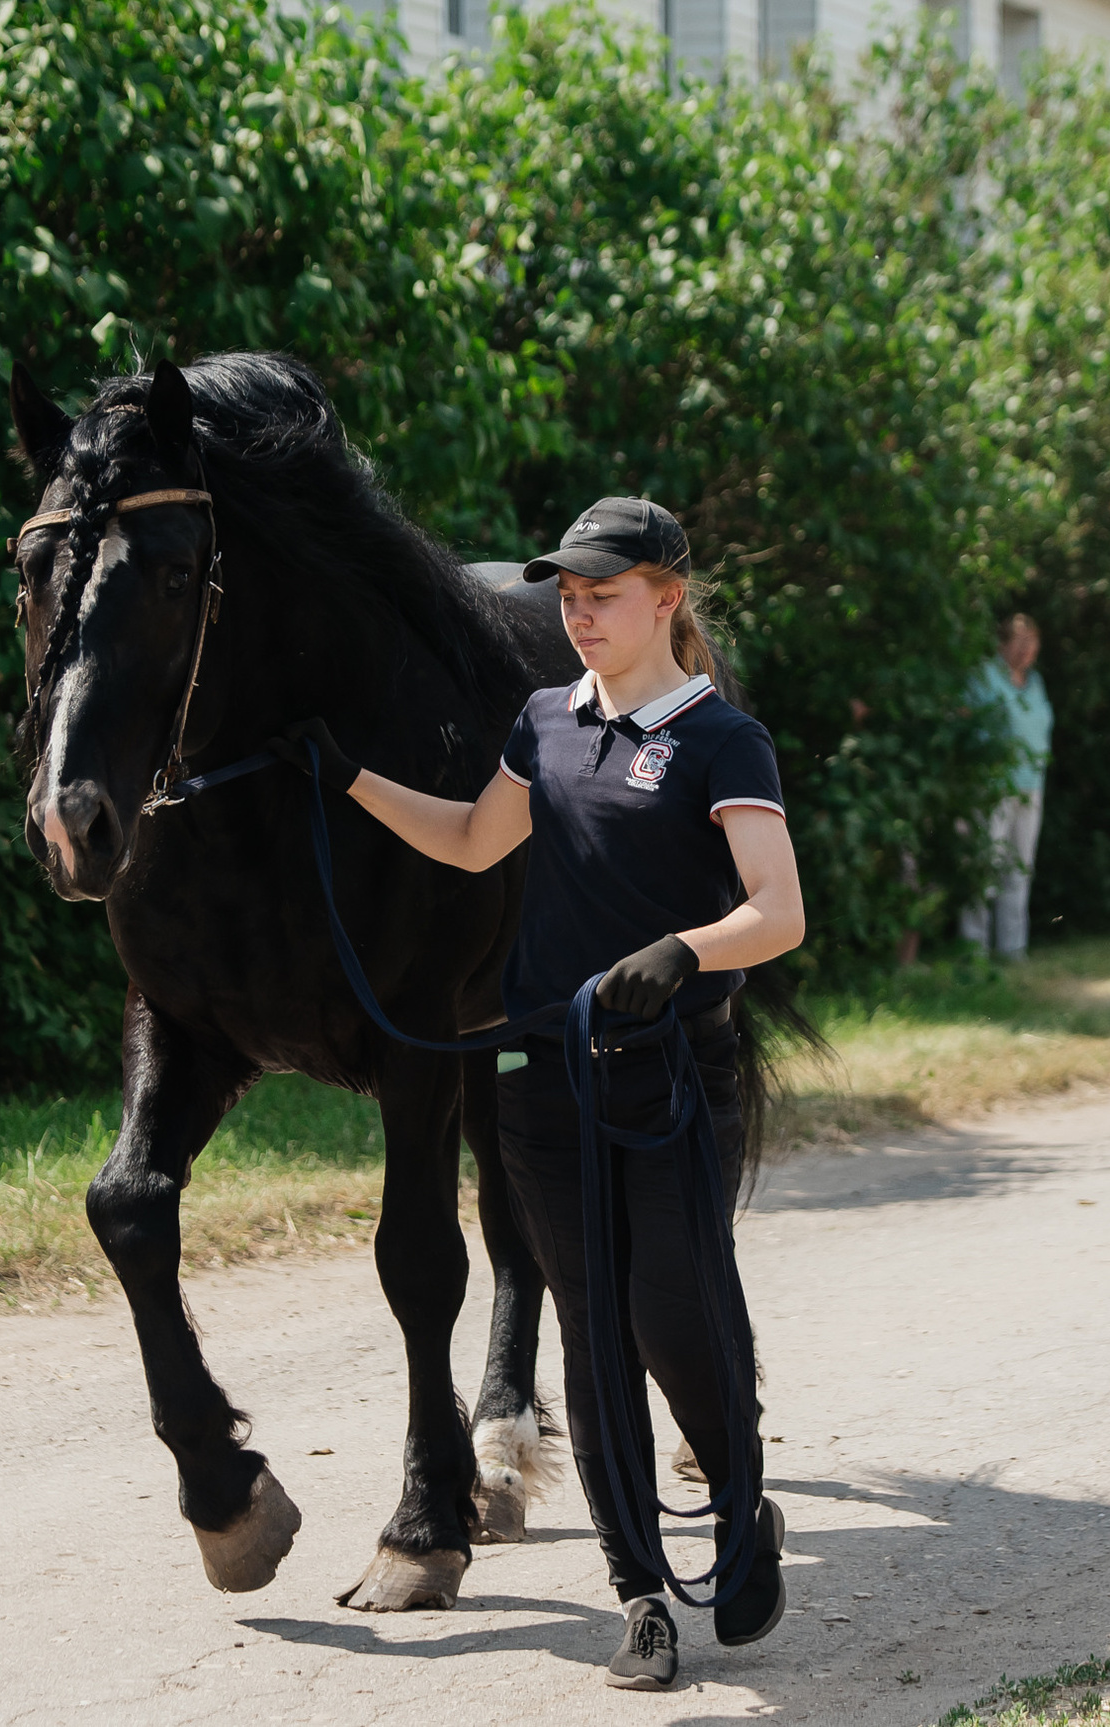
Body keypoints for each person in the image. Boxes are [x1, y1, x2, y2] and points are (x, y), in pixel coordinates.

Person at [271, 497, 807, 1691]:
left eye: (600, 594)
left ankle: (738, 1499)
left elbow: (779, 909)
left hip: (671, 1076)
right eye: (565, 594)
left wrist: (685, 949)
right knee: (588, 1330)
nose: (576, 614)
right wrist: (350, 777)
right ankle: (641, 1595)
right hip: (542, 1075)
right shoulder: (541, 722)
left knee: (674, 1318)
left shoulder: (724, 740)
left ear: (666, 598)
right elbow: (470, 840)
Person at [958, 613, 1051, 961]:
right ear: (1003, 643)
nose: (1027, 649)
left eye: (1033, 641)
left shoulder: (1035, 682)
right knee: (985, 865)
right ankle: (974, 948)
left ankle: (1013, 948)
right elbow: (967, 722)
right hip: (991, 786)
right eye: (1020, 641)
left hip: (1031, 786)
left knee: (1020, 866)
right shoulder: (984, 676)